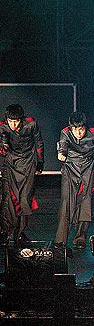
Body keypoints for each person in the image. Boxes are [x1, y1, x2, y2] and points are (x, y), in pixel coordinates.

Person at [54, 111, 94, 250]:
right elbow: (62, 147)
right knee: (66, 202)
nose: (78, 132)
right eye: (75, 129)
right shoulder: (65, 132)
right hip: (71, 169)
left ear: (85, 127)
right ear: (71, 127)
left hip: (88, 169)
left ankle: (80, 237)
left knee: (85, 202)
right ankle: (60, 240)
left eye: (81, 129)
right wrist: (61, 153)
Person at [0, 104, 44, 246]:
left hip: (27, 164)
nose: (13, 124)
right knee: (8, 200)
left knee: (25, 199)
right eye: (10, 121)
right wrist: (4, 144)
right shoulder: (2, 127)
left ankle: (20, 234)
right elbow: (3, 149)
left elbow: (39, 143)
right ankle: (5, 232)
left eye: (16, 121)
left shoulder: (31, 124)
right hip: (9, 164)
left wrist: (40, 163)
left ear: (21, 119)